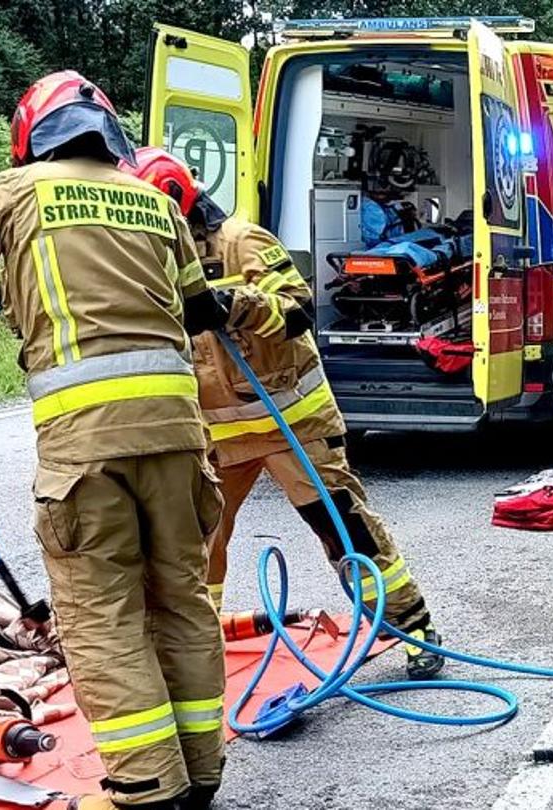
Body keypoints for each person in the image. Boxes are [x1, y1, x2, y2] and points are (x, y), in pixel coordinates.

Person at [0, 71, 230, 810]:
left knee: (102, 613)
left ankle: (145, 788)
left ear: (30, 135)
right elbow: (203, 314)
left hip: (86, 449)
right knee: (182, 602)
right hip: (177, 438)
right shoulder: (154, 202)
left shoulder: (15, 191)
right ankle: (200, 779)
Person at [129, 147, 447, 680]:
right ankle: (193, 645)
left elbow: (296, 308)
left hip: (289, 422)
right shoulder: (153, 258)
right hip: (219, 432)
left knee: (343, 529)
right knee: (195, 540)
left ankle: (410, 627)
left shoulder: (241, 242)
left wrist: (229, 304)